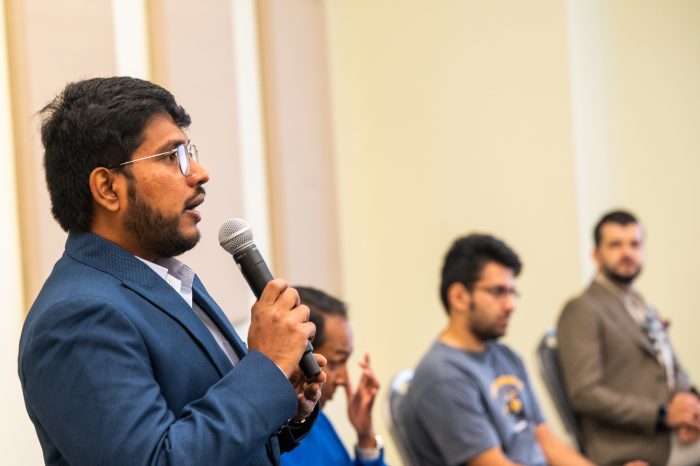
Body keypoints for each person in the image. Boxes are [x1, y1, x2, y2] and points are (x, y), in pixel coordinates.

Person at [18, 76, 326, 466]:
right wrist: (265, 368)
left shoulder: (170, 282)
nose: (199, 172)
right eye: (172, 156)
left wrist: (284, 400)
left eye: (190, 152)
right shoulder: (77, 316)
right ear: (108, 188)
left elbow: (211, 438)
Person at [398, 234, 595, 466]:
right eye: (498, 292)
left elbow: (547, 441)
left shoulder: (506, 357)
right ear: (459, 297)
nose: (511, 305)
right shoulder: (442, 376)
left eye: (512, 292)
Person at [557, 210, 700, 466]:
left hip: (674, 434)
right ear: (596, 254)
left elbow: (672, 366)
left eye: (634, 244)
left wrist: (690, 408)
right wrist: (663, 415)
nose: (627, 253)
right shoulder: (582, 309)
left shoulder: (640, 304)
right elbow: (585, 394)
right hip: (631, 446)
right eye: (615, 244)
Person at [281, 286, 386, 466]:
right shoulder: (276, 439)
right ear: (301, 357)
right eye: (337, 362)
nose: (344, 379)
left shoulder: (313, 417)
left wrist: (365, 435)